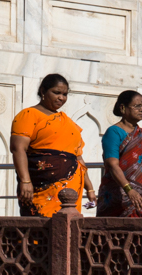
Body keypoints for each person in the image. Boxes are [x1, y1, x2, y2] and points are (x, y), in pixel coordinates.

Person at [11, 73, 95, 216]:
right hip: (41, 187)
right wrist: (25, 181)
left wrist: (90, 188)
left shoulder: (68, 123)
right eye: (56, 93)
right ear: (43, 91)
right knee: (40, 229)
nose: (61, 98)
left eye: (64, 94)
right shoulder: (29, 114)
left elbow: (78, 158)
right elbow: (18, 148)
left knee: (68, 229)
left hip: (70, 191)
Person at [98, 90, 142, 218]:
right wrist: (129, 190)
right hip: (118, 196)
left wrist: (140, 192)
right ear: (123, 108)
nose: (141, 110)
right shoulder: (114, 132)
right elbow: (112, 165)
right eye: (136, 106)